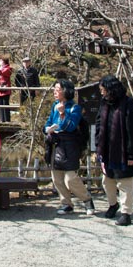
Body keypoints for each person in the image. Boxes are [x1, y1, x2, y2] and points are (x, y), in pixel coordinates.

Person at [95, 75, 133, 226]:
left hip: (123, 150)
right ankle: (113, 204)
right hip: (107, 149)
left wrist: (132, 153)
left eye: (103, 89)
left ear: (110, 89)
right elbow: (99, 125)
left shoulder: (128, 104)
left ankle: (126, 213)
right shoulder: (104, 103)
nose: (102, 93)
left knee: (125, 183)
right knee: (107, 181)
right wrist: (98, 148)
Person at [45, 79, 95, 215]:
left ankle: (87, 200)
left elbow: (71, 125)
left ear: (66, 91)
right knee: (57, 178)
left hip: (70, 145)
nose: (55, 92)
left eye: (58, 89)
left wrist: (62, 114)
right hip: (56, 143)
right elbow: (48, 122)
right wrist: (48, 129)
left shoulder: (75, 108)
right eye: (54, 89)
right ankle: (66, 203)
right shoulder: (54, 105)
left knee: (70, 178)